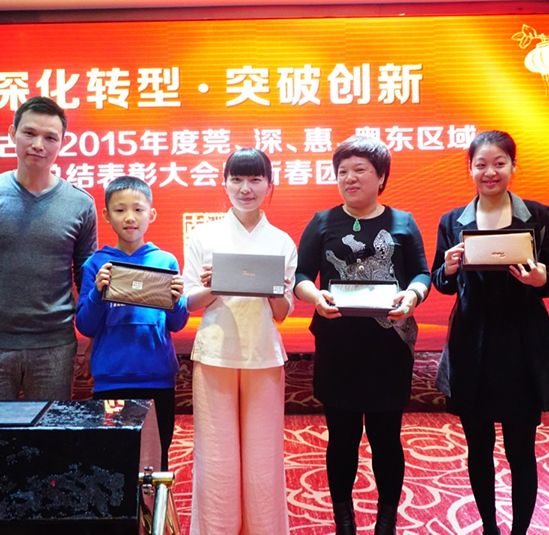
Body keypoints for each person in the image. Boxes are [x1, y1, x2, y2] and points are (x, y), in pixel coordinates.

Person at [431, 130, 549, 535]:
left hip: (522, 345)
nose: (490, 172)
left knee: (521, 449)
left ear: (513, 166)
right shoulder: (452, 221)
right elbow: (441, 281)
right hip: (472, 344)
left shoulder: (537, 215)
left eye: (499, 163)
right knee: (478, 447)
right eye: (481, 165)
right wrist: (447, 270)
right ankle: (489, 527)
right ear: (470, 169)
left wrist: (540, 278)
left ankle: (519, 530)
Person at [294, 135, 431, 535]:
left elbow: (422, 273)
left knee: (387, 438)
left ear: (381, 176)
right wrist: (314, 296)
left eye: (360, 170)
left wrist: (413, 295)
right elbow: (301, 275)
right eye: (342, 172)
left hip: (388, 348)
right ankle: (344, 521)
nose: (349, 178)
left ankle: (386, 522)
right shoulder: (322, 222)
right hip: (339, 347)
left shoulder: (403, 222)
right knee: (342, 439)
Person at [0, 96, 98, 400]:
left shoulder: (80, 203)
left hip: (55, 346)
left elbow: (87, 280)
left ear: (62, 143)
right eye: (29, 133)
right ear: (12, 134)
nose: (38, 144)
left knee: (51, 430)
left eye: (50, 137)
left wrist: (95, 338)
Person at [183, 148, 297, 535]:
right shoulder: (203, 235)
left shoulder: (282, 242)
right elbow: (190, 302)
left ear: (269, 184)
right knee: (215, 457)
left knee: (264, 457)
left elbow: (282, 312)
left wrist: (274, 288)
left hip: (263, 354)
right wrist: (217, 284)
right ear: (224, 183)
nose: (245, 188)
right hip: (215, 352)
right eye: (237, 179)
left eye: (254, 180)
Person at [75, 175, 189, 471]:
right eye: (120, 210)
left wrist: (176, 301)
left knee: (156, 463)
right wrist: (98, 293)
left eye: (138, 209)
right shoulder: (96, 264)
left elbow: (178, 323)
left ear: (152, 214)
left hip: (157, 379)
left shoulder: (164, 261)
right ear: (106, 215)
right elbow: (85, 326)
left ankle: (154, 505)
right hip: (110, 380)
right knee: (112, 464)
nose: (129, 217)